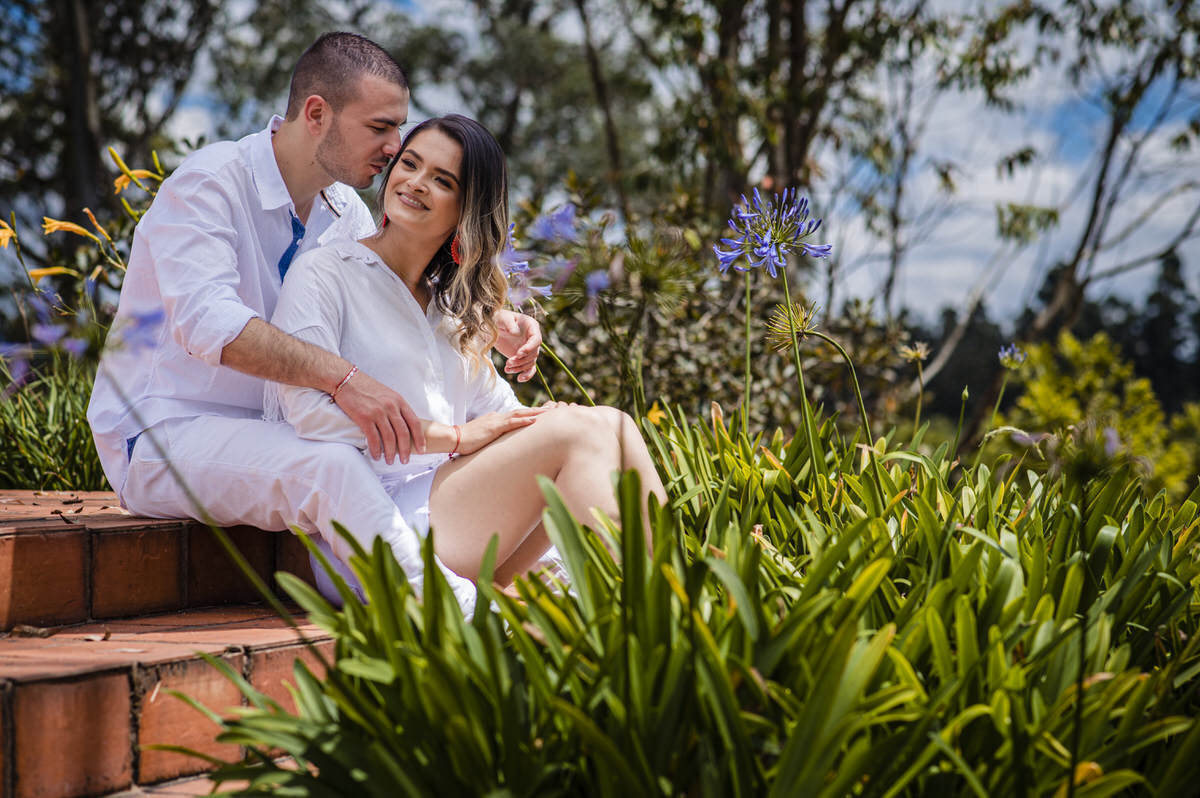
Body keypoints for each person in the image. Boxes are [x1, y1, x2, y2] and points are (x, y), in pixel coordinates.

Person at [86, 33, 542, 616]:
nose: (394, 147)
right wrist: (343, 379)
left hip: (282, 426)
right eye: (380, 127)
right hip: (162, 434)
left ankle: (562, 593)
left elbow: (394, 287)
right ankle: (465, 618)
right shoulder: (211, 182)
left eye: (397, 128)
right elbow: (210, 324)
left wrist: (487, 318)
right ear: (318, 114)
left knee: (341, 455)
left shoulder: (342, 209)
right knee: (330, 465)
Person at [266, 114, 666, 596]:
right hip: (370, 519)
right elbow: (307, 417)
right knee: (582, 433)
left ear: (467, 209)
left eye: (442, 180)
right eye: (409, 164)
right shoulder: (327, 273)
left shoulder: (450, 306)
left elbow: (499, 417)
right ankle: (648, 619)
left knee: (612, 424)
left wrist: (546, 419)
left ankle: (665, 600)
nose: (415, 183)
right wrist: (451, 439)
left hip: (452, 509)